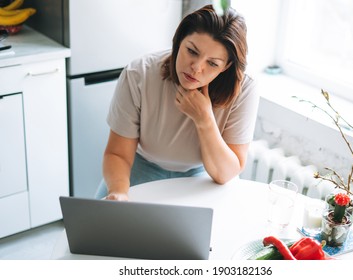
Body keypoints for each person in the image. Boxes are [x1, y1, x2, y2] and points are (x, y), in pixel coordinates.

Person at [95, 5, 260, 201]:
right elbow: (117, 153)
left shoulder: (244, 89)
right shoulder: (139, 73)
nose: (196, 67)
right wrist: (118, 192)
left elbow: (225, 174)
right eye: (191, 51)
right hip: (140, 166)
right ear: (178, 41)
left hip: (203, 177)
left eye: (213, 63)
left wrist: (204, 119)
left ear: (227, 67)